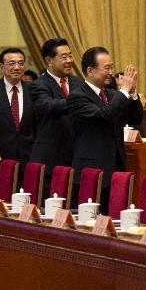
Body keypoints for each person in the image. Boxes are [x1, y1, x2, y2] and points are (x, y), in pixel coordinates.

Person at [68, 47, 143, 205]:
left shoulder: (113, 94)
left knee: (115, 219)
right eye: (107, 68)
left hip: (116, 167)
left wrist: (133, 93)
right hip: (91, 170)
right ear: (90, 70)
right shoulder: (77, 95)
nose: (111, 72)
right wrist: (123, 92)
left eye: (112, 67)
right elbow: (102, 115)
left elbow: (135, 118)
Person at [29, 38, 84, 182]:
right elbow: (49, 106)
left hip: (76, 158)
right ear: (49, 60)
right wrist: (80, 102)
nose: (69, 60)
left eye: (70, 56)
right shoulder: (38, 85)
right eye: (63, 57)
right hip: (50, 159)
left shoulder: (79, 83)